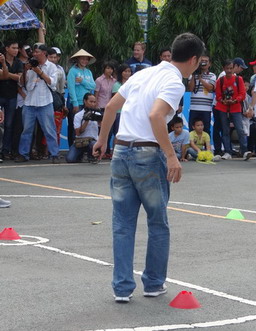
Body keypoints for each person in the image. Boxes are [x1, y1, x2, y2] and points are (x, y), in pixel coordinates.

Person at [92, 32, 205, 303]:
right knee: (157, 222)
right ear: (193, 60)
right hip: (148, 154)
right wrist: (171, 156)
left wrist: (103, 140)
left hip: (121, 151)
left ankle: (121, 288)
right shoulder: (174, 81)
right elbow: (156, 115)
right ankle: (153, 283)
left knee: (122, 223)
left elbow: (110, 108)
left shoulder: (142, 74)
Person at [15, 44, 60, 164]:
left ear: (44, 53)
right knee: (26, 130)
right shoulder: (30, 66)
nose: (34, 54)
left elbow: (52, 83)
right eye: (33, 52)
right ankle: (23, 154)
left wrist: (39, 71)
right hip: (30, 102)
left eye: (37, 52)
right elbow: (24, 85)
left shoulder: (51, 67)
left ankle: (54, 154)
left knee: (49, 130)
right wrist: (26, 70)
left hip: (45, 102)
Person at [214, 59, 248, 160]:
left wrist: (235, 100)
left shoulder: (239, 79)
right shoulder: (220, 81)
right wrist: (222, 100)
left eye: (231, 68)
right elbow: (218, 96)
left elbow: (243, 94)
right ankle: (228, 151)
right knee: (225, 130)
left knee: (240, 129)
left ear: (233, 68)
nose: (229, 70)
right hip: (223, 108)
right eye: (227, 68)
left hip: (235, 107)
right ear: (223, 69)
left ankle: (244, 150)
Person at [67, 49, 96, 147]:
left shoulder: (88, 72)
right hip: (76, 103)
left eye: (86, 59)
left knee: (86, 126)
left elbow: (93, 86)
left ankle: (83, 148)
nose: (84, 61)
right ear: (78, 59)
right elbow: (71, 88)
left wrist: (82, 81)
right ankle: (73, 147)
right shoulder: (72, 71)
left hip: (87, 103)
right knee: (74, 126)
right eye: (82, 59)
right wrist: (75, 103)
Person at [0, 41, 23, 160]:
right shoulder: (1, 59)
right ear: (7, 48)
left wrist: (6, 73)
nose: (16, 50)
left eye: (17, 48)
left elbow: (19, 78)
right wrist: (11, 75)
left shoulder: (18, 62)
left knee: (9, 124)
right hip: (1, 94)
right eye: (13, 48)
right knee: (1, 124)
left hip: (12, 96)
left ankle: (6, 150)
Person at [66, 93, 99, 163]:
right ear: (85, 101)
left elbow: (103, 129)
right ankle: (80, 155)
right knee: (70, 159)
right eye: (91, 102)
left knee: (93, 144)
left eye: (94, 102)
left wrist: (100, 121)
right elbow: (78, 133)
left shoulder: (98, 114)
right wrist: (86, 120)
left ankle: (92, 156)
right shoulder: (78, 115)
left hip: (92, 141)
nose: (93, 104)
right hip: (80, 141)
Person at [187, 54, 216, 135]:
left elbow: (210, 88)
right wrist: (193, 75)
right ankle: (192, 147)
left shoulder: (212, 75)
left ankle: (206, 147)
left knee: (206, 129)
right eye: (201, 61)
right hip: (194, 107)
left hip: (206, 108)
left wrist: (200, 79)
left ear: (209, 64)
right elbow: (191, 89)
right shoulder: (192, 74)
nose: (203, 63)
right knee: (192, 130)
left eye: (206, 61)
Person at [95, 61, 117, 158]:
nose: (109, 70)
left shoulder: (114, 81)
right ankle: (100, 150)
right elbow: (96, 94)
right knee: (101, 130)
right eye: (107, 68)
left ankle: (108, 151)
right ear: (104, 69)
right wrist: (95, 107)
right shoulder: (99, 80)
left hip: (110, 107)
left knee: (110, 130)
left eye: (111, 68)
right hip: (100, 107)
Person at [47, 47, 68, 145]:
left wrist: (63, 104)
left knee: (56, 126)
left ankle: (53, 150)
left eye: (56, 57)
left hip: (56, 100)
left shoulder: (60, 69)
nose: (54, 59)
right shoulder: (42, 68)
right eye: (51, 57)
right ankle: (42, 151)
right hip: (44, 99)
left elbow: (61, 88)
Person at [109, 64, 131, 151]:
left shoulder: (132, 83)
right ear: (121, 73)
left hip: (128, 112)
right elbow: (116, 100)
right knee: (118, 133)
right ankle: (115, 152)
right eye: (125, 71)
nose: (127, 73)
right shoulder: (117, 85)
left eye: (129, 71)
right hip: (118, 112)